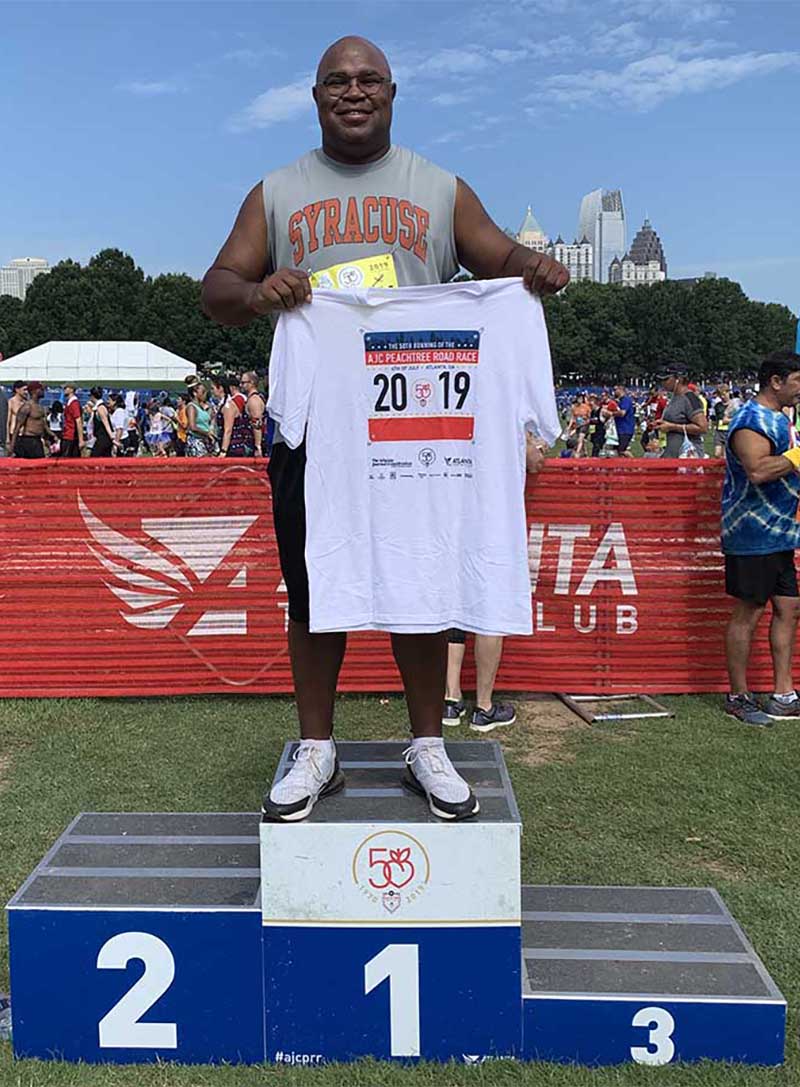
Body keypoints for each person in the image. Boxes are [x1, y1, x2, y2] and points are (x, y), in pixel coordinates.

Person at [201, 34, 569, 823]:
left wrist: (529, 269)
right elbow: (217, 287)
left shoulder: (438, 188)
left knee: (426, 580)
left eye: (369, 79)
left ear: (394, 93)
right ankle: (316, 746)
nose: (354, 91)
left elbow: (497, 254)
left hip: (415, 420)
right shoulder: (278, 190)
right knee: (312, 589)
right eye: (338, 80)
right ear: (316, 97)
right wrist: (261, 290)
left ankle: (427, 740)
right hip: (318, 428)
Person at [721, 350, 800, 726]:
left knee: (788, 609)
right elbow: (757, 470)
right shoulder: (751, 420)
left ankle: (784, 695)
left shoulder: (779, 418)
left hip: (781, 532)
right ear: (776, 381)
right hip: (752, 533)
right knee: (748, 613)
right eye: (798, 381)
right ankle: (738, 696)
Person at [655, 367, 708, 457]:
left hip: (688, 456)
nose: (663, 382)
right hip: (673, 453)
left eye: (666, 379)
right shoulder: (674, 398)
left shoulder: (690, 398)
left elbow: (702, 427)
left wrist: (672, 427)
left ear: (678, 379)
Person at [211, 374, 256, 457]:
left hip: (233, 447)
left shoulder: (229, 405)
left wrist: (223, 451)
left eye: (213, 388)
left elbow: (228, 430)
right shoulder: (225, 404)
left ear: (220, 388)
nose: (211, 391)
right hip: (230, 445)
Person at [10, 382, 53, 458]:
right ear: (34, 391)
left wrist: (51, 438)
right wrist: (12, 447)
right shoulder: (27, 407)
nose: (43, 391)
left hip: (38, 440)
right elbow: (17, 428)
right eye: (41, 389)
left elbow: (43, 426)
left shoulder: (40, 407)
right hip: (28, 441)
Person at [185, 382, 216, 456]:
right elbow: (193, 427)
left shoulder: (203, 408)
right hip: (196, 441)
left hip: (205, 440)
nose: (205, 394)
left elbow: (211, 418)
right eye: (203, 392)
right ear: (195, 393)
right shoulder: (191, 407)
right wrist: (207, 433)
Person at [240, 370, 267, 456]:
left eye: (243, 382)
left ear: (251, 383)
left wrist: (257, 446)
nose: (241, 385)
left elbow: (257, 424)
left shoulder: (254, 400)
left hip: (252, 444)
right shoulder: (254, 398)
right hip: (249, 442)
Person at [89, 387, 116, 457]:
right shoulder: (99, 407)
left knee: (93, 459)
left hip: (103, 439)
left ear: (92, 396)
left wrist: (112, 438)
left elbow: (106, 424)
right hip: (103, 438)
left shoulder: (100, 408)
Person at [61, 384, 84, 457]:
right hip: (67, 434)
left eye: (66, 388)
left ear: (71, 390)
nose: (64, 390)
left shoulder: (74, 404)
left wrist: (81, 440)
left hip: (71, 436)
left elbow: (78, 421)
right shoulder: (69, 403)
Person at [612, 384, 636, 455]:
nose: (614, 392)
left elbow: (622, 413)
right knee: (617, 451)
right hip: (619, 429)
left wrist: (611, 413)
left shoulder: (626, 400)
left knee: (622, 450)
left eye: (615, 390)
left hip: (625, 429)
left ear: (620, 390)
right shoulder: (619, 401)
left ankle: (635, 464)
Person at [6, 381, 28, 451]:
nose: (26, 392)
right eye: (24, 390)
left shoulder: (26, 403)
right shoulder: (11, 402)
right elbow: (8, 421)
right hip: (14, 434)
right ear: (17, 390)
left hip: (24, 434)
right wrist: (7, 438)